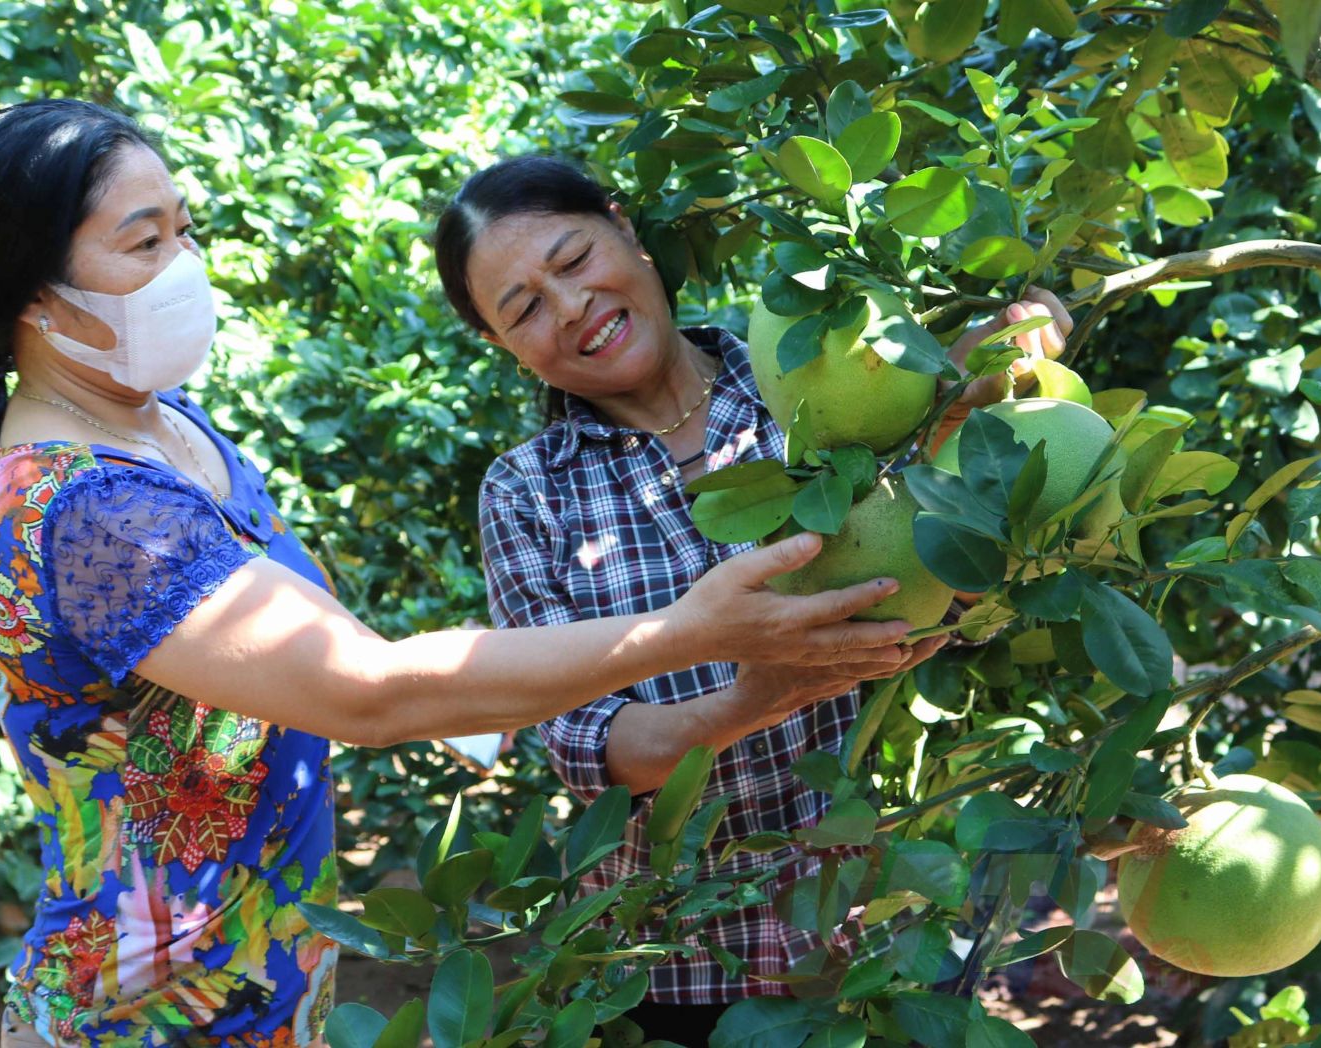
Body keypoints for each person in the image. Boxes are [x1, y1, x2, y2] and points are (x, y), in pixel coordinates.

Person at [0, 101, 917, 1048]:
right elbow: (362, 688)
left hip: (256, 983)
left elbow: (303, 619)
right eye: (145, 244)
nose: (185, 264)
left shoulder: (159, 423)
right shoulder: (90, 511)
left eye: (184, 230)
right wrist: (686, 635)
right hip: (141, 1013)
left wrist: (470, 705)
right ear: (34, 297)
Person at [434, 156, 1074, 1042]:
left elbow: (955, 580)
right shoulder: (527, 493)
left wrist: (999, 371)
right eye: (525, 308)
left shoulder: (818, 369)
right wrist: (753, 698)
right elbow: (587, 747)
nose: (571, 306)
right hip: (682, 964)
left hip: (886, 934)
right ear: (502, 346)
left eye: (574, 258)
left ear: (627, 231)